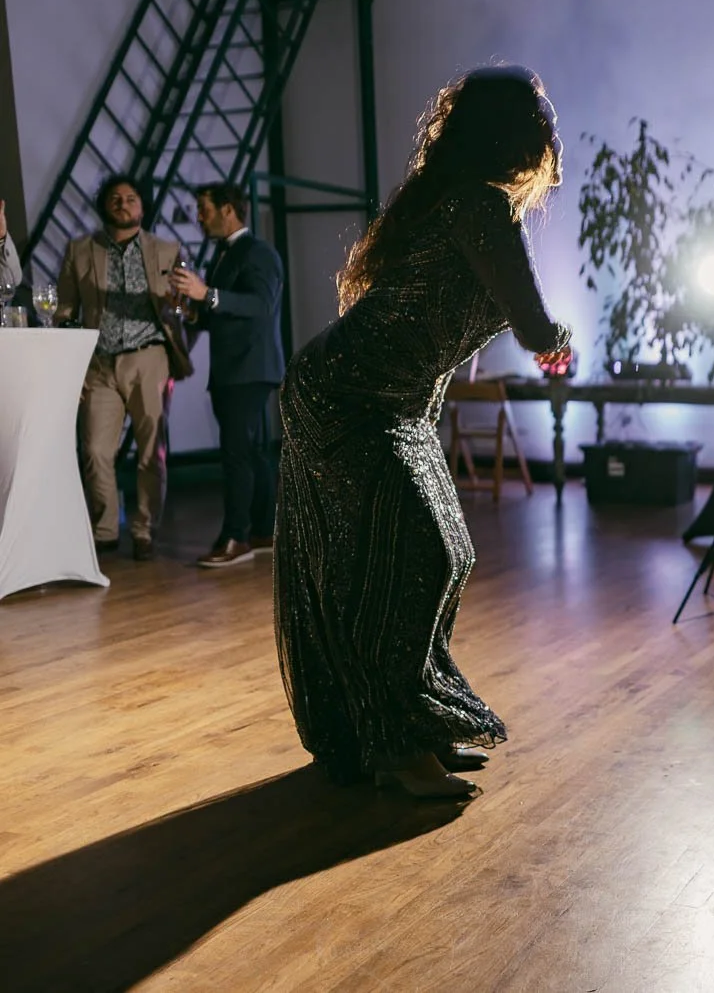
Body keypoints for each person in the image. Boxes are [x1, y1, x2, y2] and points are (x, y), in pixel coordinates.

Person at [272, 66, 571, 798]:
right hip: (345, 395)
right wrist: (560, 338)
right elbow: (534, 323)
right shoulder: (477, 207)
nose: (546, 135)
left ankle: (416, 724)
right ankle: (393, 746)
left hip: (395, 406)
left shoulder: (452, 199)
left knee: (451, 554)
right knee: (415, 556)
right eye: (537, 121)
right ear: (517, 133)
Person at [55, 174, 194, 561]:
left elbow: (188, 308)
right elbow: (65, 309)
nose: (123, 204)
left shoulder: (168, 249)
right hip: (98, 363)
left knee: (152, 451)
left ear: (143, 206)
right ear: (104, 206)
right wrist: (70, 357)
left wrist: (181, 304)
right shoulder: (79, 250)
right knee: (96, 450)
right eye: (115, 198)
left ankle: (144, 528)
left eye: (131, 198)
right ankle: (104, 531)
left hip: (148, 357)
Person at [173, 182, 286, 567]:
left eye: (203, 208)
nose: (199, 217)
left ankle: (235, 537)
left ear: (228, 210)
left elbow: (261, 304)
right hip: (235, 368)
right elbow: (221, 311)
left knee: (236, 453)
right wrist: (193, 311)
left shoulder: (258, 252)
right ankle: (265, 530)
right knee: (251, 452)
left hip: (249, 368)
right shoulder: (225, 254)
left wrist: (208, 295)